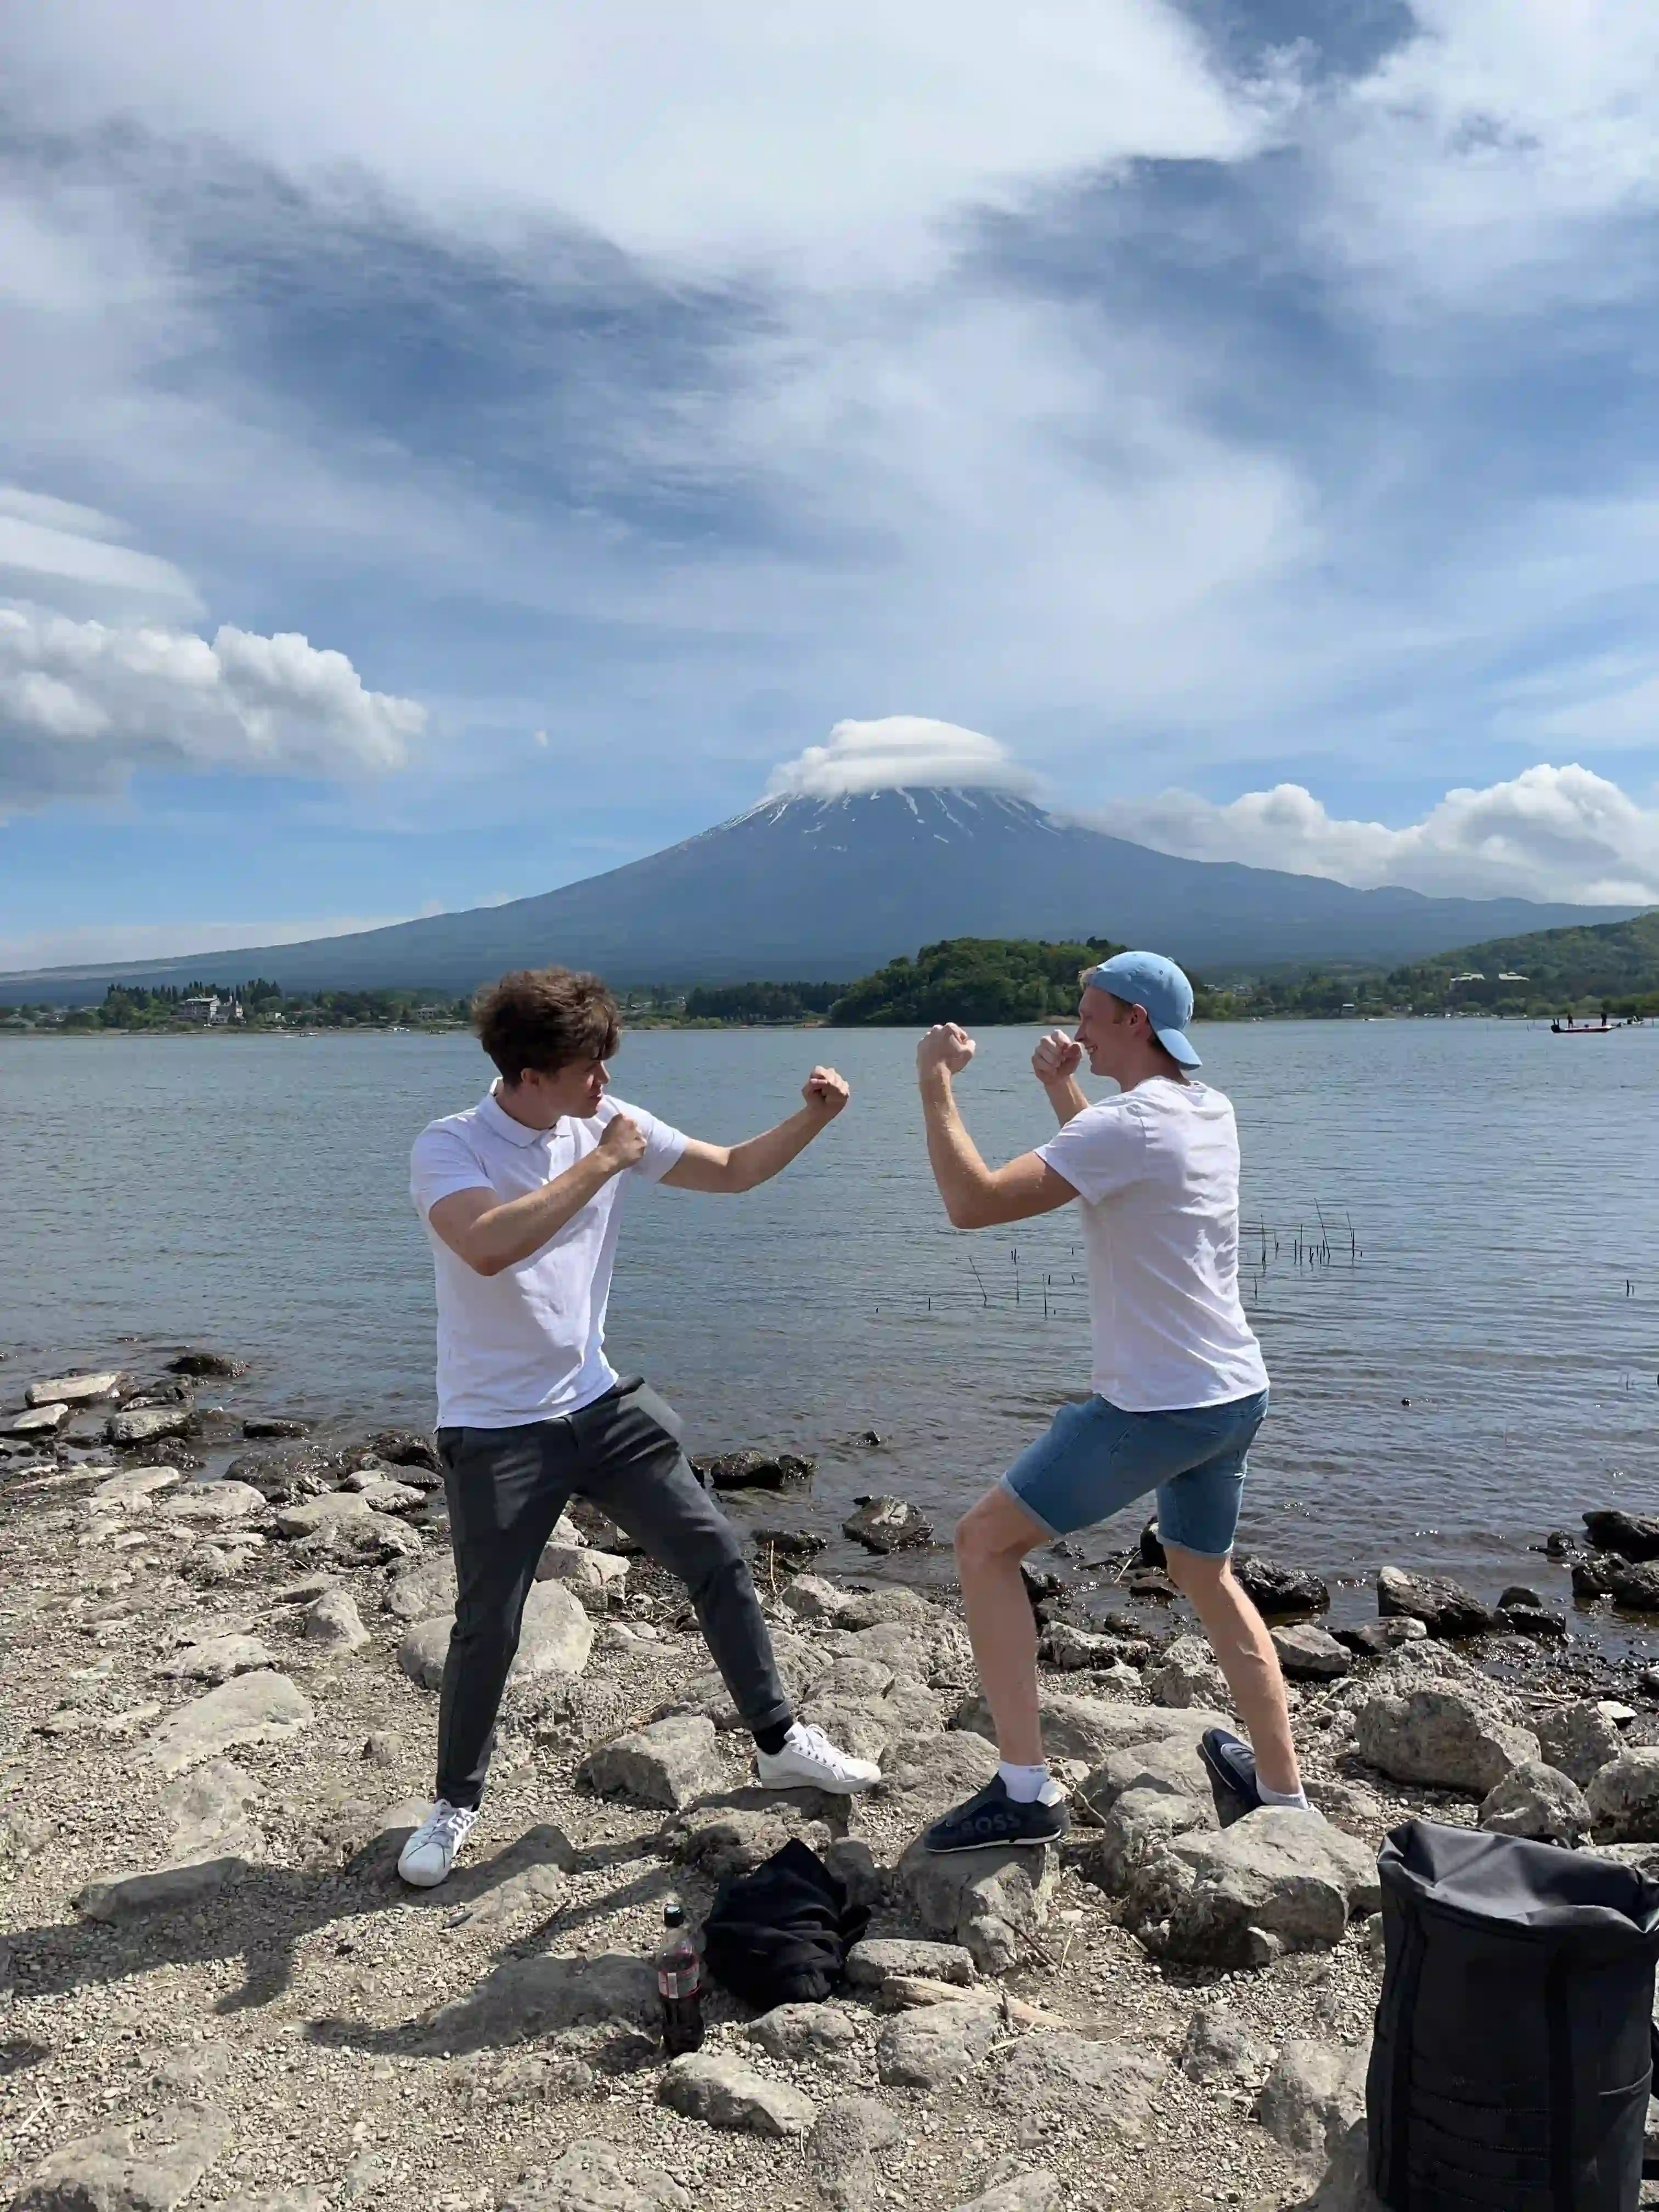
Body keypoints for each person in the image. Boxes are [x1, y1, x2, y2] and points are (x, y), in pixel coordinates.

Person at [398, 965, 880, 1887]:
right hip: (495, 1427)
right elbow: (489, 1246)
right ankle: (455, 1803)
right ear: (530, 1074)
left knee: (718, 1555)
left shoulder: (606, 1123)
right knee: (488, 1624)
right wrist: (605, 1161)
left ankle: (778, 1741)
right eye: (589, 1066)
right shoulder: (450, 1146)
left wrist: (813, 1118)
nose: (605, 1081)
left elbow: (733, 1172)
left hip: (600, 1403)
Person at [912, 950, 1305, 1852]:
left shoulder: (1129, 1125)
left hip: (1155, 1409)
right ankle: (1283, 1796)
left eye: (1090, 1013)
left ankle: (1024, 1793)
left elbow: (972, 1203)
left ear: (1135, 1020)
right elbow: (1122, 1167)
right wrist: (1062, 1091)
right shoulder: (1208, 1109)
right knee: (1202, 1571)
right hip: (1233, 1397)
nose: (1077, 1027)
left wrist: (935, 1082)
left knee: (983, 1545)